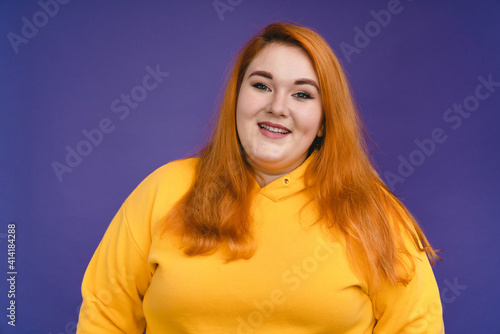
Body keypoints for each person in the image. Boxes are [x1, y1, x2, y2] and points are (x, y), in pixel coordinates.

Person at [76, 22, 444, 333]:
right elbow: (104, 316)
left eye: (302, 94)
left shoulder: (376, 214)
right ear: (236, 97)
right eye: (262, 85)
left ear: (323, 121)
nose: (277, 107)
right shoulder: (163, 190)